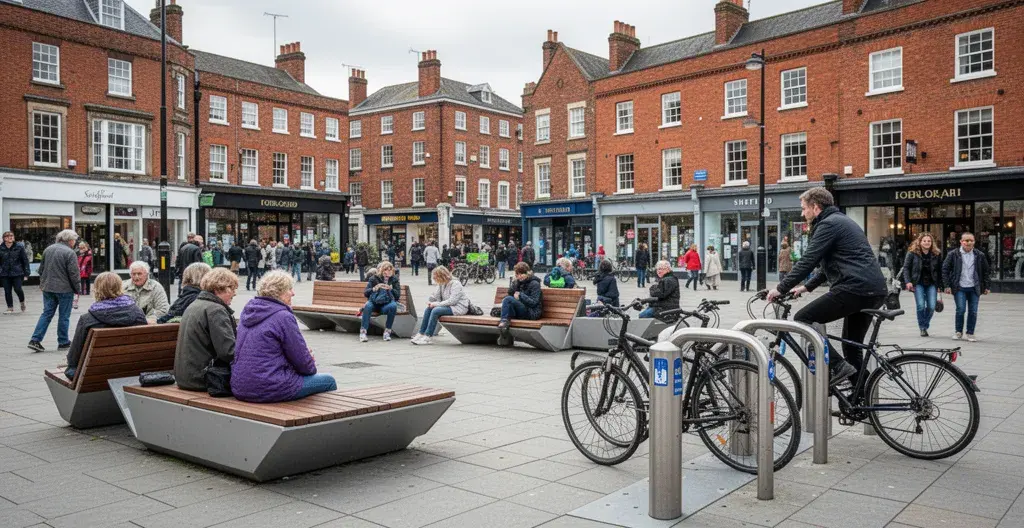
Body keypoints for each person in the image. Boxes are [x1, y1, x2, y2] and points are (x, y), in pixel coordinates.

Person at [767, 187, 888, 384]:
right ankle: (861, 398)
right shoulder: (841, 221)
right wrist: (806, 288)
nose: (802, 213)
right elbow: (830, 265)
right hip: (873, 289)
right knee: (852, 347)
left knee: (804, 318)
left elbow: (808, 261)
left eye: (804, 208)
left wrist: (781, 288)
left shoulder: (828, 225)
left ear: (815, 207)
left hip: (853, 288)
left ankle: (838, 366)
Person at [231, 270, 336, 402]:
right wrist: (309, 360)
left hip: (240, 386)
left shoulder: (249, 311)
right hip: (269, 387)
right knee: (328, 381)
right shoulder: (283, 316)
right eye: (290, 289)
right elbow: (304, 364)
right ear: (279, 292)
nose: (293, 293)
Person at [63, 272, 148, 379]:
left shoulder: (87, 319)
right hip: (133, 369)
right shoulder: (138, 313)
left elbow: (73, 358)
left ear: (97, 290)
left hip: (96, 374)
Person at [174, 268, 238, 391]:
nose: (235, 293)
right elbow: (229, 352)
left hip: (186, 377)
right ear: (219, 288)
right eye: (232, 288)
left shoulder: (195, 305)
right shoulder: (216, 310)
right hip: (205, 379)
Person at [28, 230, 81, 353]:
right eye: (74, 240)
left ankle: (35, 340)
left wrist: (44, 282)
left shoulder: (48, 249)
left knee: (46, 314)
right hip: (65, 289)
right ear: (70, 240)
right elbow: (74, 274)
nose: (75, 242)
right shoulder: (70, 253)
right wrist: (77, 289)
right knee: (64, 316)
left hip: (48, 288)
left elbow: (41, 269)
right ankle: (63, 342)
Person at [942, 232, 990, 342]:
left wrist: (987, 286)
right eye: (966, 240)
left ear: (974, 242)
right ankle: (958, 332)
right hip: (959, 287)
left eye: (971, 240)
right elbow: (945, 269)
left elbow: (986, 271)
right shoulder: (953, 254)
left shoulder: (980, 255)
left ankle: (970, 333)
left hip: (974, 287)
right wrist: (947, 285)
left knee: (973, 311)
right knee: (961, 309)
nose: (968, 243)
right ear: (961, 242)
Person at [411, 266, 469, 345]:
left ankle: (428, 336)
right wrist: (430, 301)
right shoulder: (442, 283)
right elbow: (436, 296)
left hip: (459, 307)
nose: (435, 280)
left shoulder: (456, 284)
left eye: (436, 278)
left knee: (436, 310)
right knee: (429, 309)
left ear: (442, 276)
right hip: (448, 306)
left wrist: (436, 304)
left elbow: (453, 301)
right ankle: (421, 333)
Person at [901, 233, 943, 337]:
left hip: (931, 283)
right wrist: (908, 281)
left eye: (929, 241)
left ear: (932, 242)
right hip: (917, 283)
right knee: (920, 306)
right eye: (924, 241)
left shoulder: (936, 254)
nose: (927, 243)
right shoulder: (912, 253)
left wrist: (941, 285)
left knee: (931, 306)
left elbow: (940, 270)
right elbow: (906, 268)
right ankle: (923, 328)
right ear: (920, 242)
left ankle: (924, 324)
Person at [497, 262, 543, 336]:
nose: (519, 276)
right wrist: (515, 283)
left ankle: (504, 322)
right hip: (521, 310)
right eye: (517, 274)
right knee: (507, 299)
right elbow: (510, 294)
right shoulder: (519, 282)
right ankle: (504, 327)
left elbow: (534, 302)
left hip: (531, 312)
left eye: (521, 274)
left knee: (508, 299)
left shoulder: (535, 284)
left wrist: (521, 295)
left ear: (527, 273)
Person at [360, 261, 401, 342]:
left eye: (390, 269)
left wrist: (391, 289)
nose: (389, 271)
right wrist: (374, 288)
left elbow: (397, 295)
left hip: (386, 303)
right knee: (367, 306)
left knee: (393, 306)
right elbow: (366, 293)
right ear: (382, 270)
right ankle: (363, 333)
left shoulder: (394, 279)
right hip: (374, 302)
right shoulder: (374, 278)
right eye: (386, 269)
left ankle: (387, 332)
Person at [1, 231, 31, 314]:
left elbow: (25, 260)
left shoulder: (19, 247)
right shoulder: (1, 248)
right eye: (8, 236)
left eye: (11, 236)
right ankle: (10, 308)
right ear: (4, 239)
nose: (10, 237)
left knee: (18, 288)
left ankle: (22, 302)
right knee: (7, 291)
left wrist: (26, 273)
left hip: (17, 272)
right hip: (5, 273)